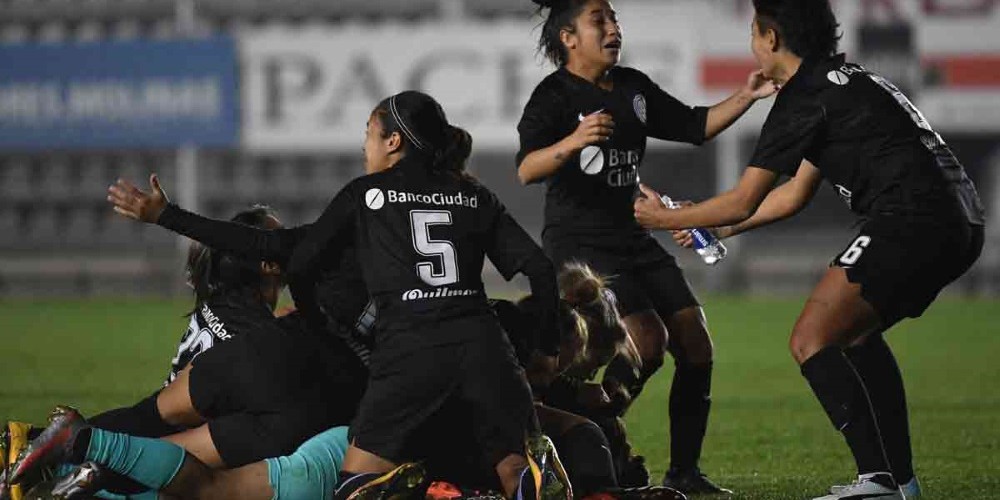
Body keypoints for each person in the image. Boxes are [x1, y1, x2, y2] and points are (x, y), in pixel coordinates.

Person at [632, 1, 985, 498]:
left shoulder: (803, 99)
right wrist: (715, 229)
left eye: (754, 33)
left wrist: (662, 219)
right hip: (961, 219)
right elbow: (792, 195)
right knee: (855, 336)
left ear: (771, 39)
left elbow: (743, 199)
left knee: (811, 339)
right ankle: (900, 482)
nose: (752, 43)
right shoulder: (846, 80)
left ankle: (877, 481)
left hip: (912, 219)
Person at [516, 0, 778, 493]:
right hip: (582, 243)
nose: (614, 27)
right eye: (600, 20)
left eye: (614, 18)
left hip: (635, 236)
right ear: (569, 38)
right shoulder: (552, 97)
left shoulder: (633, 87)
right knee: (647, 342)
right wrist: (572, 141)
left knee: (696, 346)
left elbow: (694, 125)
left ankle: (684, 471)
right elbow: (527, 168)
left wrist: (747, 95)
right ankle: (585, 433)